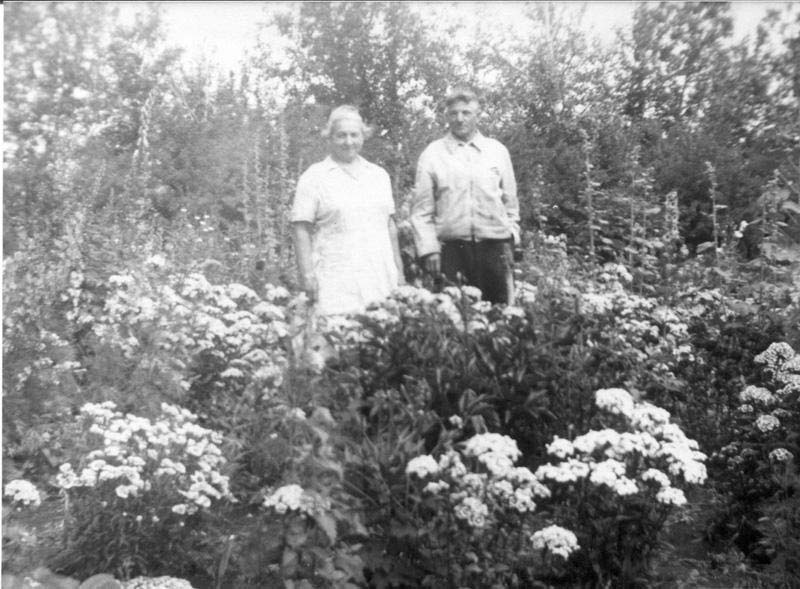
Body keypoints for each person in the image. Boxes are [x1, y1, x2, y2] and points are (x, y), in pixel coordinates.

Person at [409, 85, 519, 304]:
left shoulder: (497, 151)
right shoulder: (433, 154)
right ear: (446, 116)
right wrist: (429, 249)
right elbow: (421, 211)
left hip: (494, 249)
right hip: (452, 252)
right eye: (454, 113)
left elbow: (511, 203)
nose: (460, 119)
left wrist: (512, 237)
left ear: (477, 115)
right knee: (454, 319)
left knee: (502, 319)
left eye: (466, 112)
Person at [291, 105, 405, 316]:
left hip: (379, 276)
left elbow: (389, 226)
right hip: (336, 278)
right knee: (336, 338)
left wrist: (399, 273)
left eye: (354, 135)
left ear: (363, 136)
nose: (349, 141)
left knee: (381, 337)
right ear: (329, 137)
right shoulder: (314, 177)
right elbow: (301, 229)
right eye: (341, 135)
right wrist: (307, 275)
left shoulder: (379, 176)